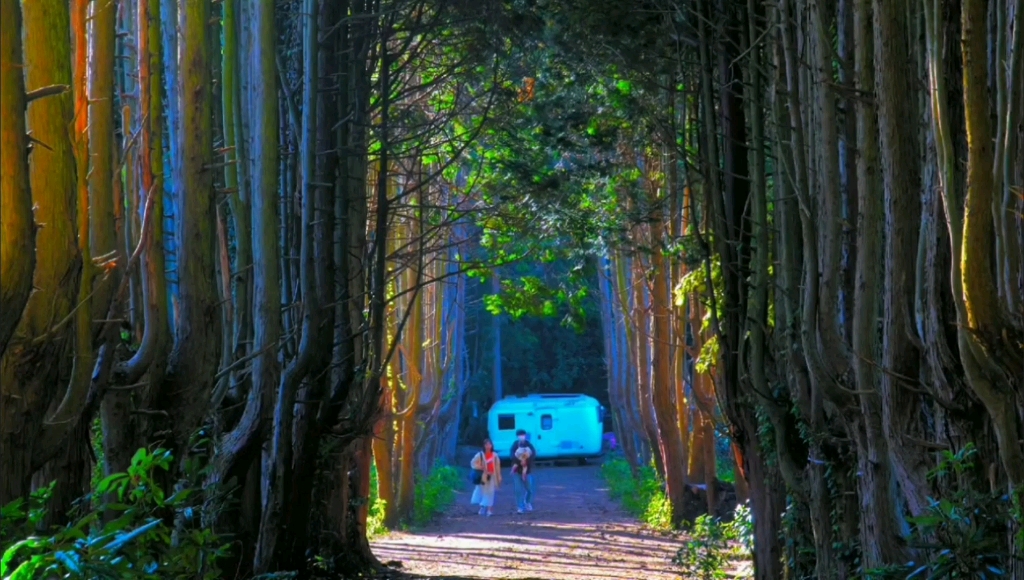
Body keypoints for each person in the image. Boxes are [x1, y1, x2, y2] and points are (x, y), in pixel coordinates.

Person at [470, 438, 501, 516]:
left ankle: (489, 510)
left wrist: (498, 476)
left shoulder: (495, 455)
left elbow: (497, 467)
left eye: (489, 444)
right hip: (483, 476)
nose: (488, 446)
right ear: (484, 445)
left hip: (492, 476)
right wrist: (481, 467)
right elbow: (473, 463)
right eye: (486, 444)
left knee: (490, 492)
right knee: (482, 492)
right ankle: (482, 507)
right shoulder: (480, 454)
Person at [509, 429, 536, 514]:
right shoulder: (515, 445)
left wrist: (526, 461)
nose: (521, 436)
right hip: (517, 470)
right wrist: (519, 461)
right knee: (518, 489)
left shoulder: (529, 444)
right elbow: (511, 455)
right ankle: (520, 507)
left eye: (523, 435)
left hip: (527, 470)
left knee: (529, 489)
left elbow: (533, 454)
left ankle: (527, 502)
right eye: (520, 435)